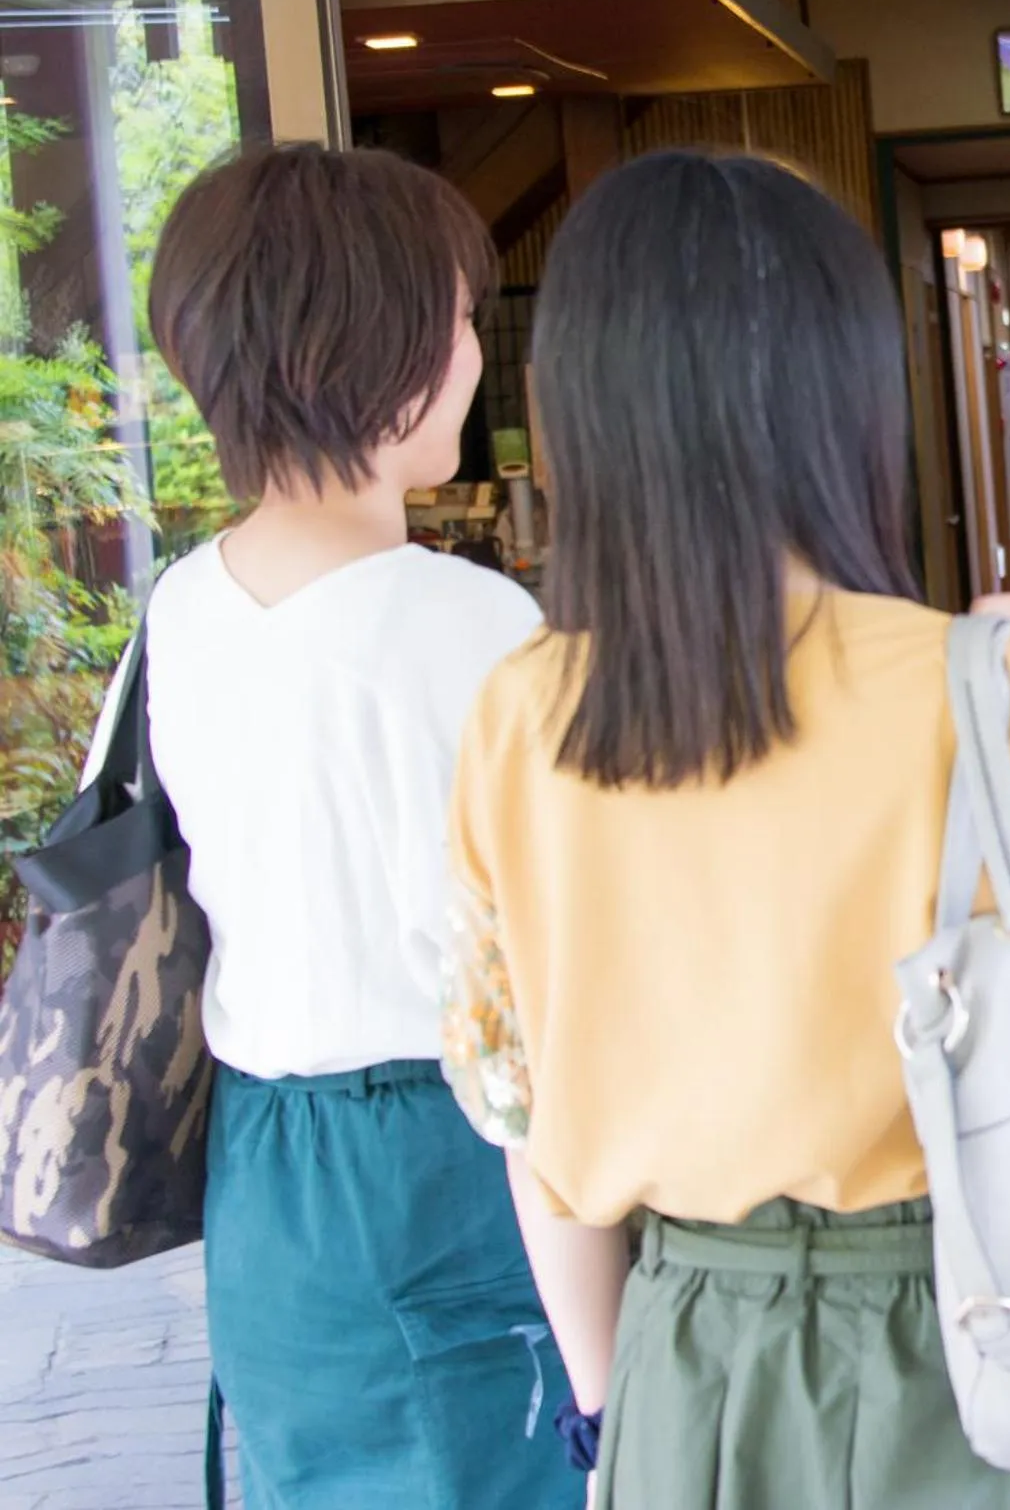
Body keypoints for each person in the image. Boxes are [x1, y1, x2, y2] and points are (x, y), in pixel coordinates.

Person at [438, 148, 1010, 1509]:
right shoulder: (1007, 692)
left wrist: (624, 1422)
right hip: (1001, 1343)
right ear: (846, 393)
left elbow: (528, 1129)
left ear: (577, 410)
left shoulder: (517, 717)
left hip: (693, 1369)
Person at [98, 145, 583, 1508]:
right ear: (369, 345)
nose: (474, 356)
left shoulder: (179, 610)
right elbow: (554, 946)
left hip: (262, 1160)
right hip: (445, 1148)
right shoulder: (470, 623)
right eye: (456, 318)